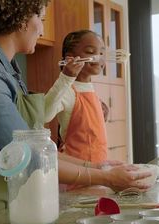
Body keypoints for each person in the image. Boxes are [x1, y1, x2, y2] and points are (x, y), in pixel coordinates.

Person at [0, 1, 151, 224]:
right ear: (23, 20)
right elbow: (30, 153)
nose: (42, 29)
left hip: (4, 189)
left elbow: (37, 143)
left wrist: (98, 166)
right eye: (41, 20)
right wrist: (107, 178)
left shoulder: (6, 69)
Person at [44, 30, 111, 165]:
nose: (98, 57)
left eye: (102, 53)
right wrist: (66, 77)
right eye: (91, 52)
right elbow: (44, 114)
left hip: (97, 171)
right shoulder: (68, 91)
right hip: (76, 174)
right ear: (70, 58)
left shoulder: (90, 89)